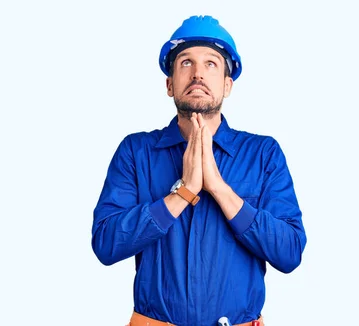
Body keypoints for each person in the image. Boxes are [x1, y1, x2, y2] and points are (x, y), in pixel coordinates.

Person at [92, 15, 307, 326]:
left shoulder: (263, 155)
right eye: (185, 63)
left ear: (227, 84)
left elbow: (289, 253)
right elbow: (106, 243)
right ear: (169, 84)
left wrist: (218, 187)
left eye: (211, 64)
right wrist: (184, 192)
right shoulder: (136, 152)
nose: (197, 74)